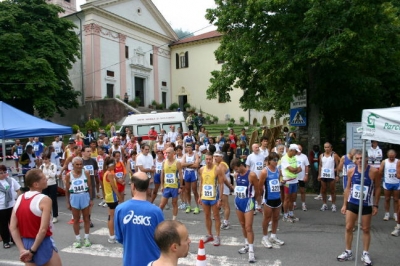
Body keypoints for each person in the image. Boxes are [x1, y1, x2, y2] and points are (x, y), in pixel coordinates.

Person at [9, 169, 62, 265]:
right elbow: (42, 230)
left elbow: (12, 227)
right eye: (43, 178)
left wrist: (22, 249)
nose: (46, 178)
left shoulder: (20, 198)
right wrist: (32, 251)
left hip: (25, 243)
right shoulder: (45, 199)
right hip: (42, 243)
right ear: (36, 184)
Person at [337, 150, 380, 266]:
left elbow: (378, 188)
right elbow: (347, 188)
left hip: (366, 204)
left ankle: (365, 253)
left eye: (362, 158)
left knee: (365, 229)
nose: (360, 160)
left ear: (367, 159)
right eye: (357, 158)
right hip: (352, 203)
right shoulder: (351, 171)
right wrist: (345, 204)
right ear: (355, 159)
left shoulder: (373, 172)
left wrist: (376, 204)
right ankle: (348, 251)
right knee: (348, 227)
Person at [115, 172, 164, 266]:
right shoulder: (156, 212)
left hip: (130, 262)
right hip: (153, 262)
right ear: (147, 187)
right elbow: (162, 240)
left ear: (133, 186)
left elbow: (120, 237)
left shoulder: (120, 209)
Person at [230, 158, 260, 263]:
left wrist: (258, 203)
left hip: (248, 202)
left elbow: (257, 189)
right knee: (242, 225)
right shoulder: (237, 175)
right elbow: (237, 187)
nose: (236, 171)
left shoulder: (251, 175)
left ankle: (251, 252)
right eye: (234, 169)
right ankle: (246, 245)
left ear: (241, 165)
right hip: (238, 201)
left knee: (248, 227)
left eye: (237, 169)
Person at [65, 157, 94, 248]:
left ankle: (86, 237)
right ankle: (78, 238)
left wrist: (90, 199)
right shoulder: (69, 175)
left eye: (81, 164)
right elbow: (66, 189)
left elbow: (89, 186)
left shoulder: (86, 173)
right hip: (74, 197)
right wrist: (68, 202)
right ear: (73, 165)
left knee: (86, 218)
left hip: (84, 196)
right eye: (77, 164)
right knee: (76, 219)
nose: (79, 166)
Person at [198, 152, 225, 247]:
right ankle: (209, 235)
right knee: (206, 215)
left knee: (216, 216)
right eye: (207, 159)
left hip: (214, 197)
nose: (208, 161)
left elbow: (221, 184)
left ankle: (217, 236)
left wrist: (220, 199)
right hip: (205, 196)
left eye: (210, 159)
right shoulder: (201, 169)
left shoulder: (217, 169)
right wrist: (199, 196)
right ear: (204, 159)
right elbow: (201, 183)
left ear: (212, 159)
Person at [259, 153, 285, 249]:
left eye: (277, 160)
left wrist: (281, 183)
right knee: (267, 218)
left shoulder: (278, 170)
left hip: (277, 197)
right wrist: (261, 198)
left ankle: (273, 236)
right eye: (274, 159)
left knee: (276, 217)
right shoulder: (264, 172)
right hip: (268, 198)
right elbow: (260, 185)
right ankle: (265, 237)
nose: (276, 161)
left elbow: (277, 182)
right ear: (269, 160)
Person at [159, 147, 184, 220]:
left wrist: (181, 187)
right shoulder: (164, 162)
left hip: (175, 187)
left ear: (173, 153)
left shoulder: (177, 163)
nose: (167, 154)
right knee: (162, 204)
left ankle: (174, 219)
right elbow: (162, 174)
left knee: (174, 203)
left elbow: (180, 175)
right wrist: (162, 185)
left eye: (169, 153)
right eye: (166, 153)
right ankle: (158, 218)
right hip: (166, 187)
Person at [102, 157, 123, 244]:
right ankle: (112, 236)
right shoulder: (109, 174)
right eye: (114, 164)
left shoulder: (107, 173)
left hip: (109, 197)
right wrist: (120, 197)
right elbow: (114, 188)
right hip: (112, 197)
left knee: (111, 216)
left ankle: (112, 235)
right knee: (112, 217)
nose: (115, 165)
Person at [0, 164, 21, 249]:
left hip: (12, 205)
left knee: (14, 223)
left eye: (5, 172)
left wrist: (17, 200)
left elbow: (18, 190)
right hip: (1, 206)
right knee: (3, 225)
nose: (3, 174)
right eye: (1, 173)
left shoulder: (11, 180)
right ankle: (6, 241)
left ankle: (14, 238)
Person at [213, 151, 234, 229]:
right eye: (214, 156)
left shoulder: (222, 165)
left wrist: (230, 186)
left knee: (225, 205)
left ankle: (226, 222)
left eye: (217, 156)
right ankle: (222, 218)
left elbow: (224, 179)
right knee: (220, 203)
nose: (215, 158)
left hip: (224, 186)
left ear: (221, 157)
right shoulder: (218, 164)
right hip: (220, 185)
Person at [281, 144, 302, 222]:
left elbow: (300, 169)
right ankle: (285, 215)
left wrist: (294, 169)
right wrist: (295, 170)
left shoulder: (294, 157)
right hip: (287, 182)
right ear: (291, 150)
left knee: (293, 199)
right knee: (287, 199)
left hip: (295, 180)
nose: (296, 153)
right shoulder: (284, 158)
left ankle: (291, 214)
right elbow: (291, 169)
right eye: (295, 151)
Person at [318, 142, 341, 212]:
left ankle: (333, 204)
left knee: (332, 190)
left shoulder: (334, 155)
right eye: (325, 147)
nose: (326, 149)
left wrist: (337, 175)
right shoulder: (321, 155)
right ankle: (324, 204)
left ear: (331, 148)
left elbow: (337, 165)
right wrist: (319, 174)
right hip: (323, 175)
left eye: (328, 147)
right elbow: (320, 165)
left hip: (331, 175)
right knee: (323, 190)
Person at [378, 149, 400, 221]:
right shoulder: (384, 162)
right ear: (388, 156)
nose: (391, 158)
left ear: (395, 155)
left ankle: (395, 214)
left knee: (396, 199)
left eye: (392, 157)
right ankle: (387, 213)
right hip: (387, 182)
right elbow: (380, 171)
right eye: (390, 157)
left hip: (396, 183)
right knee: (387, 199)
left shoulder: (398, 161)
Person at [82, 146, 99, 227]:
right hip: (82, 186)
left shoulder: (93, 161)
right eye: (87, 151)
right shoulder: (80, 161)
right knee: (83, 204)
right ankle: (80, 219)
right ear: (83, 152)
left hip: (91, 185)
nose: (89, 153)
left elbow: (96, 171)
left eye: (90, 151)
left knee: (90, 204)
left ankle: (88, 219)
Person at [181, 143, 200, 214]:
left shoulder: (195, 154)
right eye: (187, 147)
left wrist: (187, 165)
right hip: (186, 174)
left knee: (194, 190)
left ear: (192, 148)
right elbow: (182, 164)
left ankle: (197, 206)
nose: (188, 149)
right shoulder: (185, 155)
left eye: (190, 147)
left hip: (193, 174)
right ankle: (189, 206)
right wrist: (191, 163)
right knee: (187, 190)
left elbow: (197, 165)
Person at [245, 143, 265, 212]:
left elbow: (264, 165)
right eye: (256, 147)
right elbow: (247, 166)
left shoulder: (262, 156)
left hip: (260, 176)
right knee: (252, 192)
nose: (257, 148)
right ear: (252, 148)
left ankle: (259, 205)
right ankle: (253, 206)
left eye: (258, 147)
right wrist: (247, 175)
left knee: (259, 191)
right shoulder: (250, 156)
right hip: (253, 177)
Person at [40, 155, 59, 224]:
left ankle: (55, 216)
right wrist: (47, 176)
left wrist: (48, 170)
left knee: (53, 200)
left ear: (49, 159)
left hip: (52, 184)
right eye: (44, 159)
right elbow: (41, 175)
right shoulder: (42, 166)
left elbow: (54, 175)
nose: (45, 161)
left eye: (46, 159)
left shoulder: (53, 166)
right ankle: (47, 215)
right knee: (45, 200)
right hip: (44, 185)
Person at [294, 144, 310, 211]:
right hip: (294, 177)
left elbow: (307, 166)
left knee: (302, 191)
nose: (299, 150)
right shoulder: (293, 156)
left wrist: (306, 175)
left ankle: (303, 204)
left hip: (302, 176)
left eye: (300, 149)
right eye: (298, 149)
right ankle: (294, 203)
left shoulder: (304, 156)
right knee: (294, 191)